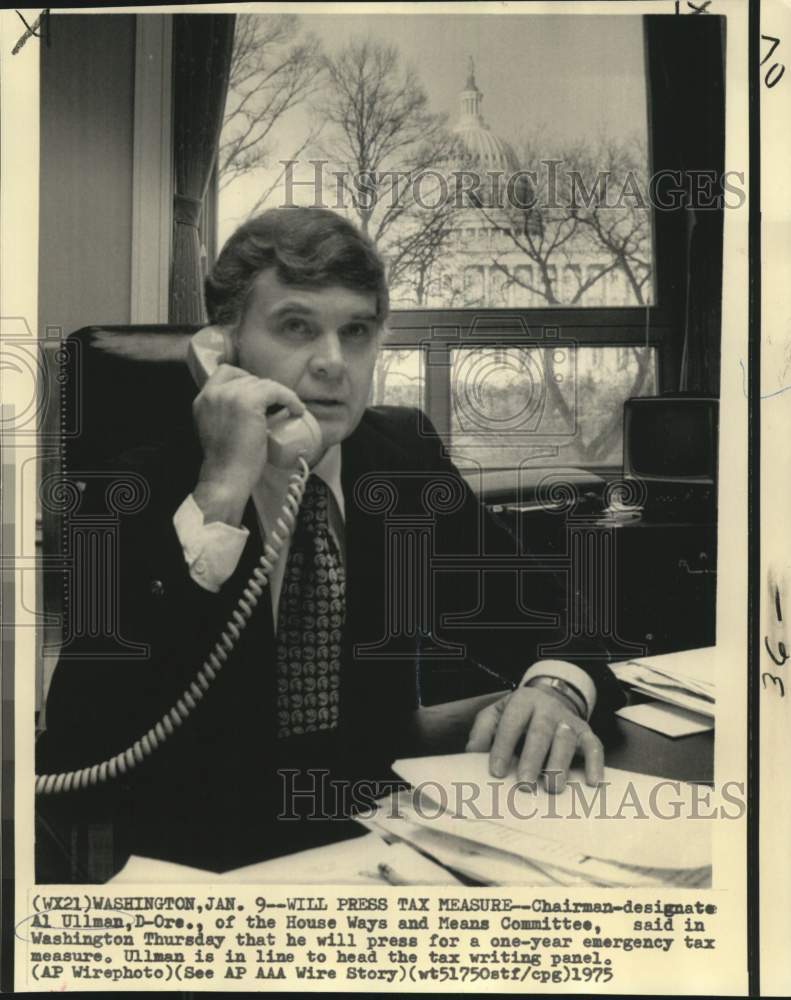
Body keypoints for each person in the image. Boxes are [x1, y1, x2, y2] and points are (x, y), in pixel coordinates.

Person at [39, 207, 625, 872]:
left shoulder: (402, 458)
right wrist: (219, 494)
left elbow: (560, 624)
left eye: (356, 332)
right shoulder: (133, 486)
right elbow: (84, 745)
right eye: (296, 327)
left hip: (387, 837)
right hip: (206, 857)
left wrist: (554, 689)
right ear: (222, 348)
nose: (333, 363)